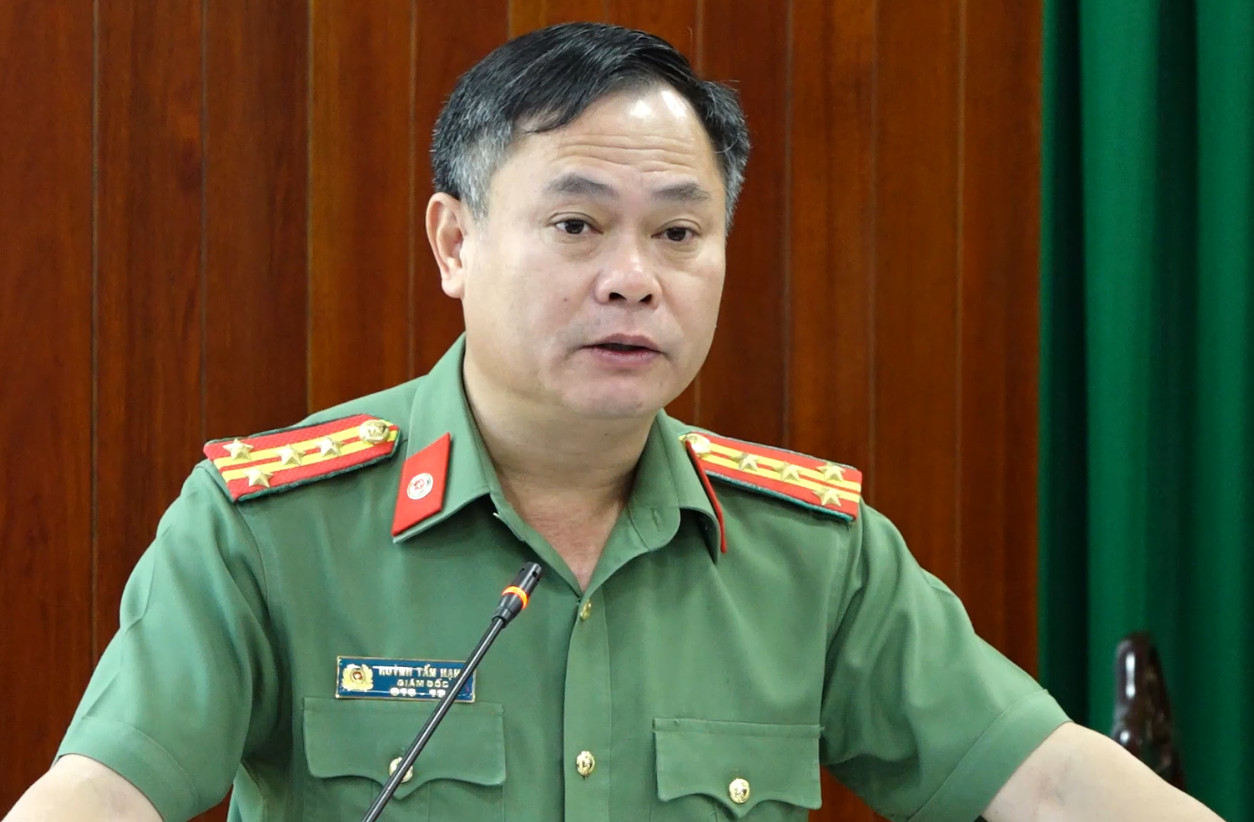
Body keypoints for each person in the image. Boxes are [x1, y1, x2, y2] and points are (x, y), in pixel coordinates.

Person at [6, 22, 1223, 822]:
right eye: (578, 226)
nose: (634, 279)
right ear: (455, 242)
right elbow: (106, 794)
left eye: (679, 232)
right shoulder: (271, 531)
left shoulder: (810, 551)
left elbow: (1049, 783)